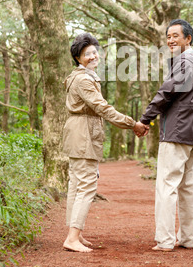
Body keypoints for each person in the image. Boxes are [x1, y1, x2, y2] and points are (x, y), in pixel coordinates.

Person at [62, 32, 148, 252]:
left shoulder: (81, 76)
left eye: (94, 52)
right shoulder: (83, 79)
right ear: (78, 58)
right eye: (86, 54)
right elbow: (102, 108)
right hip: (83, 135)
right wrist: (132, 123)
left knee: (77, 184)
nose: (92, 56)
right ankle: (72, 238)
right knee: (87, 185)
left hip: (78, 133)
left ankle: (75, 234)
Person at [139, 19, 193, 251]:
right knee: (187, 188)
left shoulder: (186, 62)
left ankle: (165, 240)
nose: (170, 40)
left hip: (177, 132)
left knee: (167, 187)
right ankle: (188, 239)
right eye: (168, 36)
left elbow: (168, 92)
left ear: (188, 39)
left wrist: (146, 117)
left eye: (175, 36)